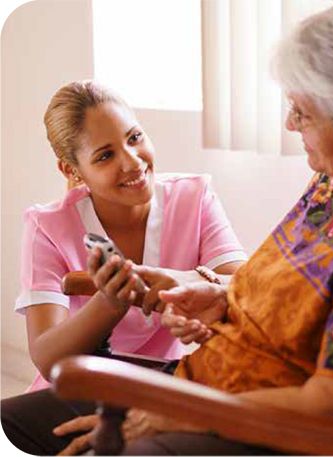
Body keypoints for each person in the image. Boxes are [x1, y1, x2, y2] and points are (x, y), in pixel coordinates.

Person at [3, 0, 333, 454]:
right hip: (208, 384)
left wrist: (180, 412)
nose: (289, 124)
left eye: (303, 112)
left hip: (263, 430)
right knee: (15, 422)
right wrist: (219, 296)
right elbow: (302, 295)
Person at [1, 80, 246, 454]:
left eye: (134, 138)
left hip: (171, 380)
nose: (132, 161)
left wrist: (186, 281)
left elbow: (245, 285)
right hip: (85, 381)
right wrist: (110, 303)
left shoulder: (194, 195)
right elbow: (47, 356)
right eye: (105, 155)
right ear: (73, 169)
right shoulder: (48, 225)